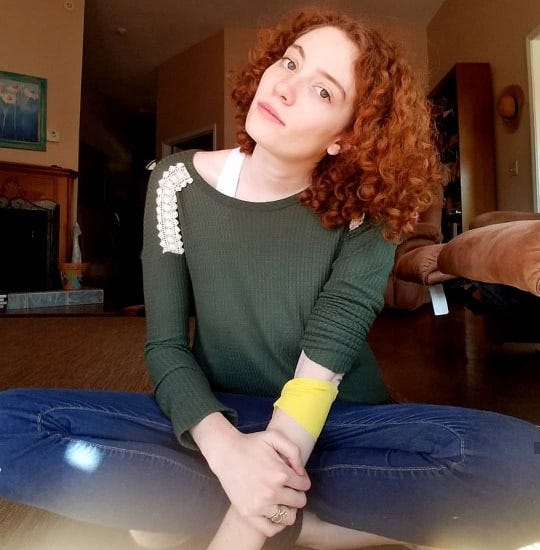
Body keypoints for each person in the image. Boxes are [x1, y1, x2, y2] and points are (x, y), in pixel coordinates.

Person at [0, 7, 539, 550]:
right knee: (11, 422)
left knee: (523, 463)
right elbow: (165, 346)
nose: (283, 87)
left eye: (323, 92)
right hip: (218, 417)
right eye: (289, 62)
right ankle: (320, 523)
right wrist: (228, 451)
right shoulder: (174, 183)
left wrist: (248, 515)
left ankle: (209, 509)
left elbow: (322, 368)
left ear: (346, 140)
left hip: (333, 422)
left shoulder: (368, 210)